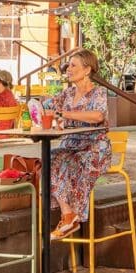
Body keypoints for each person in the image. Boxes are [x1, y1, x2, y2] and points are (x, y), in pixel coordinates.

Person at [47, 50, 111, 240]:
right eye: (68, 65)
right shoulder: (67, 94)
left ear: (87, 70)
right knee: (48, 159)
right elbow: (47, 106)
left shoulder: (98, 92)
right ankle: (68, 215)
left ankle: (69, 218)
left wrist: (65, 115)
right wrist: (38, 108)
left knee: (67, 161)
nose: (68, 69)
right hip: (71, 144)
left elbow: (98, 116)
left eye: (73, 65)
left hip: (94, 146)